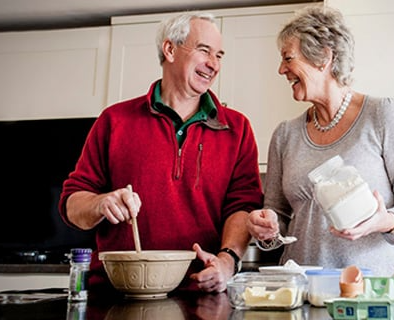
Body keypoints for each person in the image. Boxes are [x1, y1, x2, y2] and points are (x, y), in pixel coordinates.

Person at [59, 11, 263, 293]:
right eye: (204, 50)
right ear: (170, 49)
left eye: (220, 55)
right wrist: (100, 203)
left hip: (200, 291)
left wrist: (227, 263)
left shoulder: (236, 128)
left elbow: (243, 206)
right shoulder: (114, 121)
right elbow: (72, 205)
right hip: (116, 292)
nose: (214, 64)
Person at [246, 5, 394, 277]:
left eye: (288, 58)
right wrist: (267, 226)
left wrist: (386, 221)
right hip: (302, 289)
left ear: (323, 57)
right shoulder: (285, 134)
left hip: (369, 290)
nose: (281, 69)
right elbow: (277, 215)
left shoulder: (382, 115)